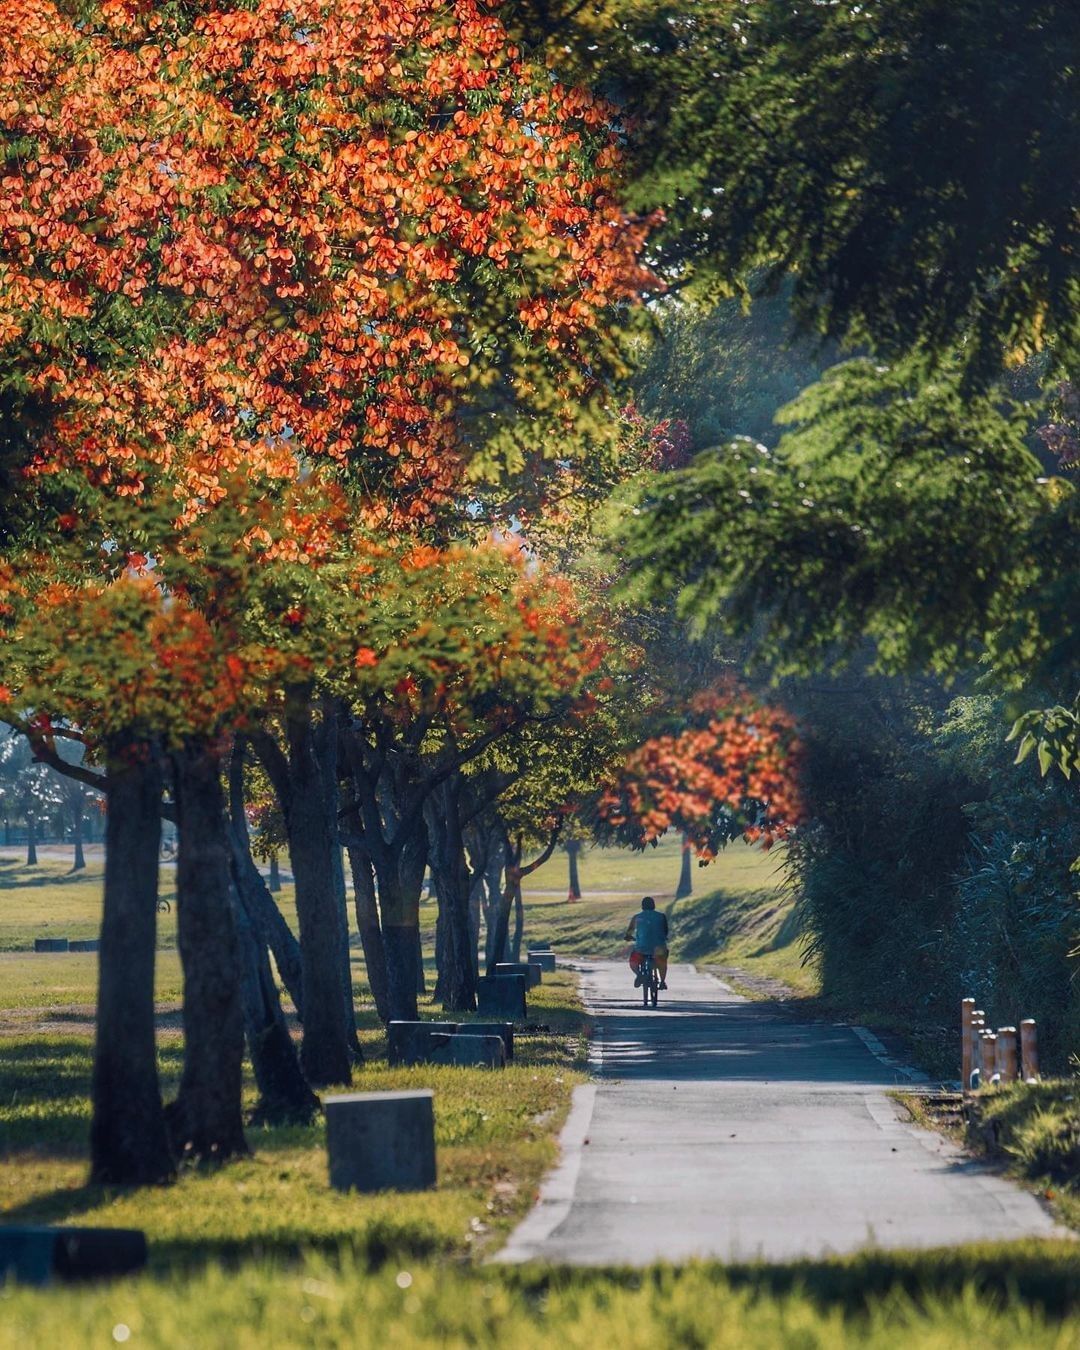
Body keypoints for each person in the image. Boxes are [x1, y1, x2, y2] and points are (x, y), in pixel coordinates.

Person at [625, 896, 669, 990]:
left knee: (633, 961)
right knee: (662, 962)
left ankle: (639, 974)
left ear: (642, 906)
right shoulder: (661, 916)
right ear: (654, 906)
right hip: (659, 948)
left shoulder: (637, 917)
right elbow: (665, 931)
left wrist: (628, 937)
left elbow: (629, 931)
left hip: (641, 948)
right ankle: (662, 982)